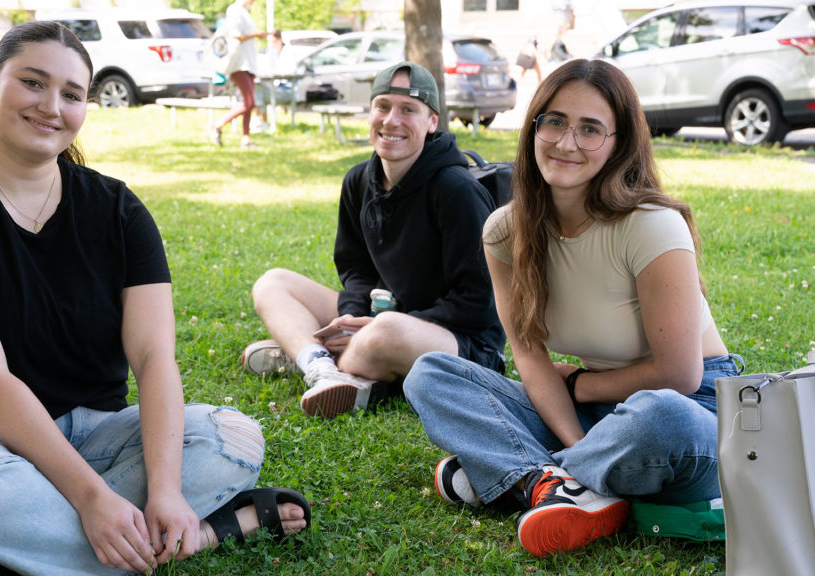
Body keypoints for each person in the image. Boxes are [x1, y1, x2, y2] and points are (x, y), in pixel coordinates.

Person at [0, 21, 309, 576]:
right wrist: (90, 499)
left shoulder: (118, 211)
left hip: (97, 435)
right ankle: (206, 534)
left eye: (72, 94)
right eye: (32, 83)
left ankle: (12, 554)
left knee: (234, 436)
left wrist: (169, 490)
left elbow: (154, 359)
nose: (51, 106)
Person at [403, 58, 743, 558]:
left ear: (618, 143)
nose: (566, 142)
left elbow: (679, 374)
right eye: (555, 121)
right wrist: (576, 434)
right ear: (534, 126)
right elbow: (530, 357)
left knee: (658, 414)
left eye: (590, 129)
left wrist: (579, 384)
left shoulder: (651, 225)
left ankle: (516, 474)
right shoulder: (504, 231)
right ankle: (562, 483)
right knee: (430, 374)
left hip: (691, 410)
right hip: (597, 417)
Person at [242, 62, 507, 419]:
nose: (391, 120)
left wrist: (381, 324)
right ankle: (325, 369)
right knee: (272, 283)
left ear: (431, 122)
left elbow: (479, 303)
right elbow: (355, 267)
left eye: (408, 110)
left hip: (463, 342)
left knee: (385, 334)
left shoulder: (457, 191)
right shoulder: (358, 181)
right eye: (382, 106)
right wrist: (352, 317)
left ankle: (304, 354)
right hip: (383, 316)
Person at [209, 0, 267, 148]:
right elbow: (235, 36)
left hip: (249, 63)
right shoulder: (234, 10)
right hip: (239, 63)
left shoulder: (245, 12)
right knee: (249, 103)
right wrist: (256, 34)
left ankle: (246, 139)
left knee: (248, 103)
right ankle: (218, 125)